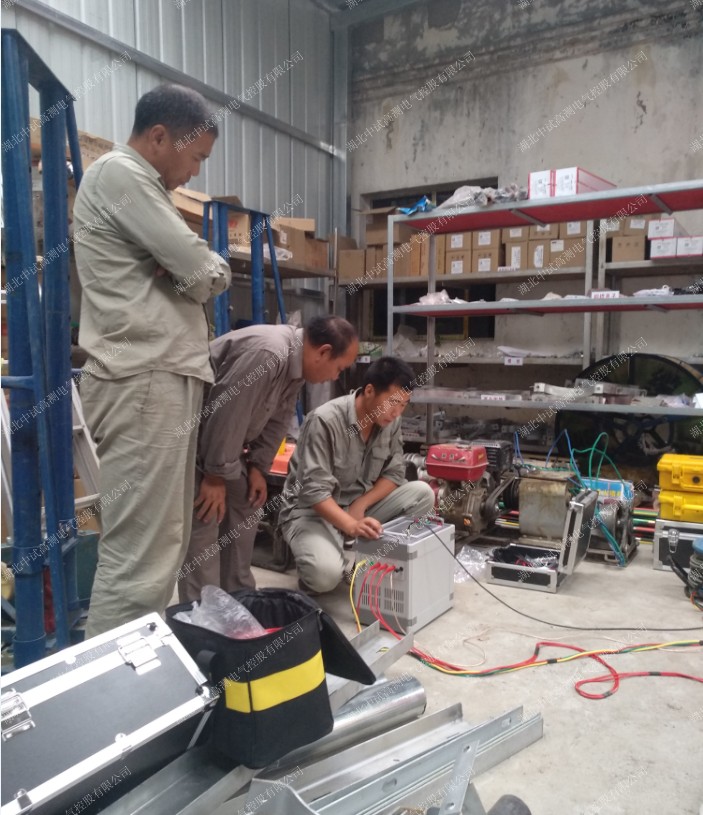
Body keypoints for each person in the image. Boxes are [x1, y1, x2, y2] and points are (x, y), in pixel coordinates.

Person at [74, 84, 231, 637]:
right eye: (196, 157)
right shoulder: (123, 175)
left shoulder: (143, 188)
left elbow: (191, 266)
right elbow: (204, 271)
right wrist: (200, 267)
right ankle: (113, 679)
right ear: (160, 137)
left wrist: (190, 265)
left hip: (156, 378)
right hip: (143, 379)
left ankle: (139, 666)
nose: (195, 172)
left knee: (160, 547)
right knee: (140, 558)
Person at [178, 316, 359, 601]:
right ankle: (201, 613)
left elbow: (279, 418)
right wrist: (214, 478)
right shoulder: (268, 354)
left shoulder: (296, 368)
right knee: (206, 516)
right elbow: (227, 414)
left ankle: (239, 598)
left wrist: (258, 467)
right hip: (191, 439)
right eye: (339, 368)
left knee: (247, 501)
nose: (335, 377)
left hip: (221, 447)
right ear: (323, 352)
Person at [277, 356, 435, 594]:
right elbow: (314, 492)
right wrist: (350, 525)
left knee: (423, 494)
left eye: (404, 404)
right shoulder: (325, 421)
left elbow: (395, 472)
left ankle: (364, 567)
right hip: (313, 513)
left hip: (357, 507)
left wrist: (360, 506)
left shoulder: (390, 421)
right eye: (393, 402)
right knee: (325, 577)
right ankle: (316, 561)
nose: (397, 412)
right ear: (369, 391)